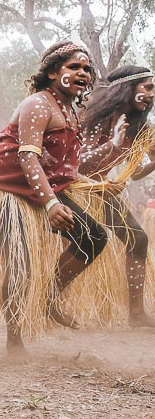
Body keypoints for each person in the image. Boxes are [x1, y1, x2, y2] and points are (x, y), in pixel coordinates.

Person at [0, 41, 106, 358]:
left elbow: (60, 168)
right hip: (4, 191)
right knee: (20, 265)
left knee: (93, 237)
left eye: (86, 69)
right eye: (74, 67)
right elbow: (28, 159)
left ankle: (50, 297)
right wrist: (52, 205)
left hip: (41, 190)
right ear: (55, 72)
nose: (82, 73)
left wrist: (95, 185)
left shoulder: (69, 112)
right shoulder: (37, 104)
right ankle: (14, 341)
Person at [67, 65, 155, 327]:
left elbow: (137, 173)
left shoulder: (138, 127)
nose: (151, 94)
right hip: (73, 188)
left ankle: (137, 314)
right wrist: (112, 144)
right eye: (147, 87)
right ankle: (48, 298)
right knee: (84, 243)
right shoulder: (97, 120)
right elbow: (77, 165)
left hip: (102, 190)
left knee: (137, 239)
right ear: (127, 89)